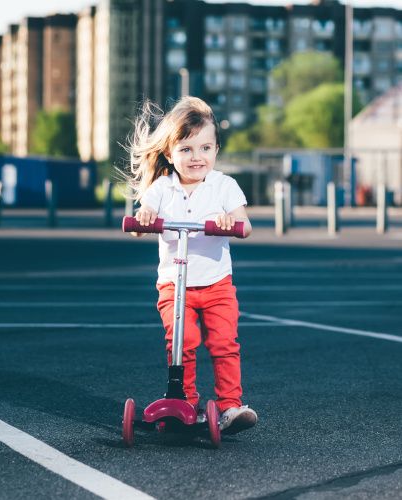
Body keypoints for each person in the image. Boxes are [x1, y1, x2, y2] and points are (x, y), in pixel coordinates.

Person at [127, 96, 257, 434]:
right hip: (174, 283)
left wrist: (230, 219)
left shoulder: (224, 186)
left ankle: (230, 405)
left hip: (216, 283)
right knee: (181, 343)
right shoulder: (162, 188)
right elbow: (143, 222)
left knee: (224, 342)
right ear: (170, 154)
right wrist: (145, 215)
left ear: (215, 150)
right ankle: (185, 401)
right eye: (186, 149)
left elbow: (245, 224)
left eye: (205, 148)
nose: (196, 157)